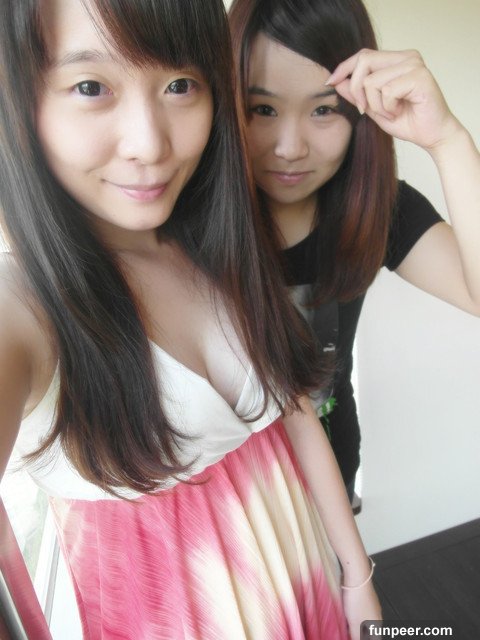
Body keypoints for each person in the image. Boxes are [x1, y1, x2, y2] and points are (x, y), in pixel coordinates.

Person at [0, 0, 382, 638]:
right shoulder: (24, 307)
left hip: (310, 582)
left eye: (179, 85)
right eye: (91, 87)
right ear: (22, 99)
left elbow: (292, 415)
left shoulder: (217, 243)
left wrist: (357, 578)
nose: (150, 144)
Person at [228, 0, 480, 502]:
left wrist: (447, 139)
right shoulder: (189, 217)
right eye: (263, 109)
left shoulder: (379, 209)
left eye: (324, 110)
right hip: (229, 499)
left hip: (333, 469)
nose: (290, 147)